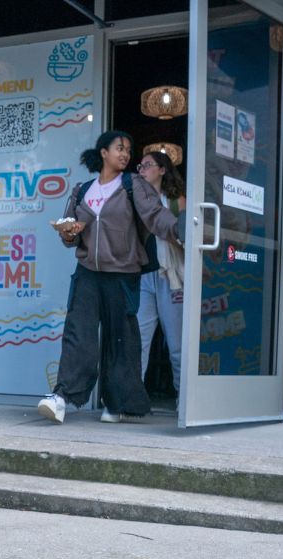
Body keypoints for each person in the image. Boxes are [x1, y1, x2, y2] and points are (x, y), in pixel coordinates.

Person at [39, 131, 183, 424]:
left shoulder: (133, 185)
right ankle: (63, 397)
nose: (126, 154)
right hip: (87, 274)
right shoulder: (82, 190)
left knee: (122, 339)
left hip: (123, 273)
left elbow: (156, 215)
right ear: (103, 152)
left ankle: (117, 403)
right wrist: (68, 232)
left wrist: (183, 230)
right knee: (78, 334)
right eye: (120, 148)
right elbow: (69, 234)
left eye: (128, 150)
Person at [134, 151, 187, 405]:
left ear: (163, 170)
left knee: (176, 343)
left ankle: (183, 398)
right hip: (143, 275)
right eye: (140, 166)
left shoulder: (177, 201)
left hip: (171, 276)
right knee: (138, 341)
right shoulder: (132, 199)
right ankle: (130, 397)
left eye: (148, 165)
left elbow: (188, 236)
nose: (142, 170)